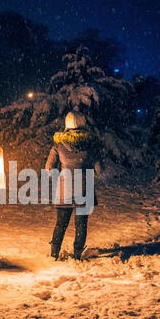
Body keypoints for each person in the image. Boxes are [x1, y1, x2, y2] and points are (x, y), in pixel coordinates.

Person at [45, 111, 101, 260]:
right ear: (82, 123)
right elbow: (99, 170)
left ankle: (54, 253)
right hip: (84, 189)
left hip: (65, 191)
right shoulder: (91, 146)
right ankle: (77, 254)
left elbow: (49, 169)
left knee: (60, 224)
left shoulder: (58, 146)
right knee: (81, 225)